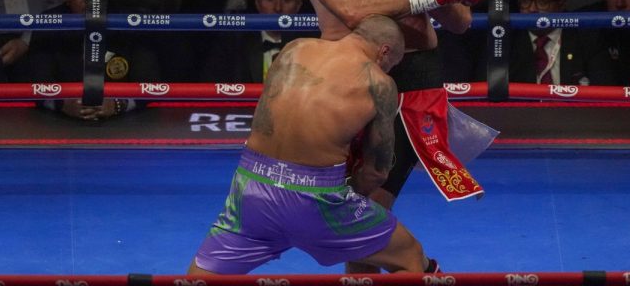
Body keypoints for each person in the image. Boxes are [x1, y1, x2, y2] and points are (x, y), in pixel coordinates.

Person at [301, 0, 491, 274]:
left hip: (414, 82)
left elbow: (459, 22)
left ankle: (422, 269)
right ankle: (423, 271)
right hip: (348, 82)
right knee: (352, 210)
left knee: (366, 207)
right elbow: (351, 10)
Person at [189, 15, 441, 275]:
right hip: (316, 200)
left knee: (200, 278)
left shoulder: (295, 48)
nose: (387, 71)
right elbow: (375, 172)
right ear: (384, 52)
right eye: (391, 65)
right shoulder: (379, 83)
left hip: (250, 188)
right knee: (410, 256)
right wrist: (349, 192)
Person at [28, 0, 160, 120]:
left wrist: (118, 104)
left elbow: (149, 84)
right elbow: (37, 83)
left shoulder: (131, 23)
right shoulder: (48, 23)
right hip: (59, 124)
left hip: (125, 124)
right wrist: (62, 104)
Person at [200, 0, 317, 82]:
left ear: (298, 5)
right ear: (257, 3)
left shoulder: (312, 44)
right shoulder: (233, 42)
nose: (278, 8)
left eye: (286, 0)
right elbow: (211, 84)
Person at [507, 0, 614, 85]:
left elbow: (603, 86)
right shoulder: (506, 39)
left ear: (561, 4)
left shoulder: (587, 38)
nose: (532, 9)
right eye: (526, 0)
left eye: (542, 2)